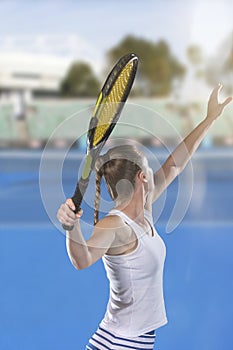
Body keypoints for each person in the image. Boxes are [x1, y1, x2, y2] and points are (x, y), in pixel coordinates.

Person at [57, 84, 232, 350]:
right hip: (118, 343)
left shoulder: (144, 212)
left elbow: (176, 165)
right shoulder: (115, 225)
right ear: (142, 177)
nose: (156, 172)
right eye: (150, 168)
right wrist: (70, 227)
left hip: (132, 342)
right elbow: (82, 260)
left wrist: (209, 119)